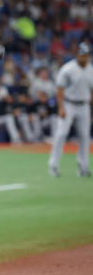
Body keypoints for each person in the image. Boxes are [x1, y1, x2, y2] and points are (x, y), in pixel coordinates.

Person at [48, 42, 93, 177]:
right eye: (81, 55)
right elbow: (60, 89)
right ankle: (53, 166)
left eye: (86, 55)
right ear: (77, 55)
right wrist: (61, 107)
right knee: (61, 134)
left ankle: (83, 167)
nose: (84, 58)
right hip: (69, 104)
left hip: (84, 105)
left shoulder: (91, 69)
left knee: (85, 137)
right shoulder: (68, 69)